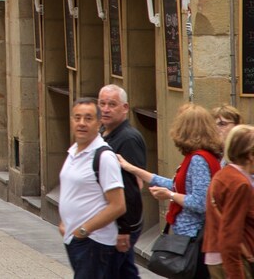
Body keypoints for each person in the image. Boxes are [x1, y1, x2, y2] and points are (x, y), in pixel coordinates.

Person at [118, 103, 223, 279]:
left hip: (193, 239)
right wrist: (133, 169)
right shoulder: (200, 156)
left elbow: (199, 202)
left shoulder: (198, 159)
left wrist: (170, 196)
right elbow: (175, 183)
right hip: (191, 237)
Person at [58, 97, 126, 278]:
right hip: (76, 240)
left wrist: (84, 230)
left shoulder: (104, 157)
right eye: (77, 118)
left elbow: (118, 205)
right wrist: (65, 224)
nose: (81, 123)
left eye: (88, 118)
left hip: (94, 242)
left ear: (98, 123)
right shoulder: (74, 151)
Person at [97, 84, 146, 278]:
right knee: (125, 272)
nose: (106, 109)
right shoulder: (103, 133)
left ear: (125, 108)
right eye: (102, 104)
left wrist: (125, 228)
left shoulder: (128, 139)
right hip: (110, 223)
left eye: (112, 104)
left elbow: (133, 187)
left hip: (120, 225)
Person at [204, 125, 254, 279]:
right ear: (250, 155)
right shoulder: (239, 183)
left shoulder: (224, 175)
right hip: (234, 261)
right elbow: (230, 234)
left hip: (220, 257)